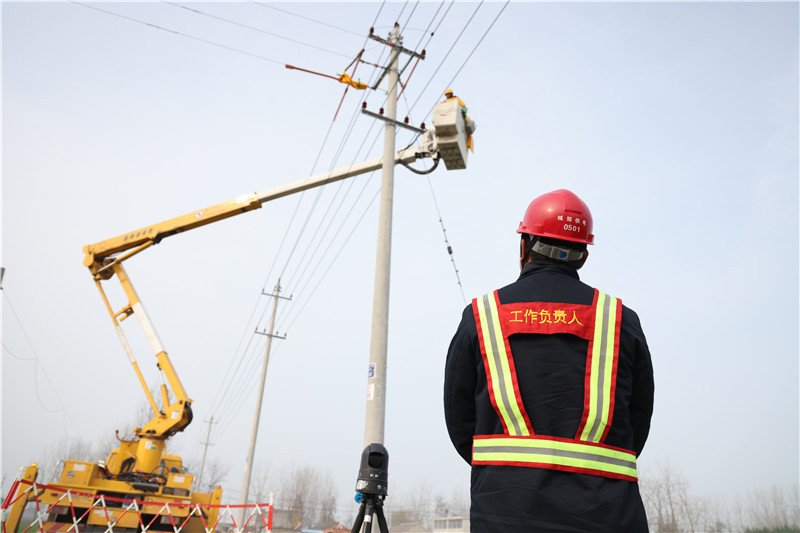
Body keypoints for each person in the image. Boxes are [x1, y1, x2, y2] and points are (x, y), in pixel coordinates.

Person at [444, 189, 654, 532]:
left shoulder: (482, 316)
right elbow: (638, 421)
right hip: (610, 516)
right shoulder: (620, 320)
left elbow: (459, 421)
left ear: (523, 245)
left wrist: (509, 469)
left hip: (505, 511)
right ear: (583, 256)